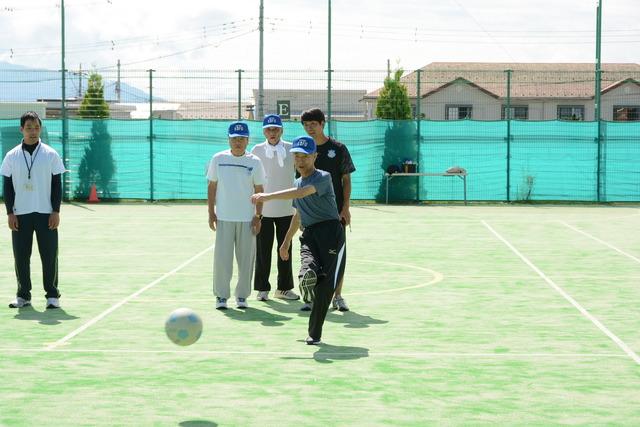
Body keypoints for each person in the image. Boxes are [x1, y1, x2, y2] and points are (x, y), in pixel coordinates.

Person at [251, 136, 346, 345]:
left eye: (305, 156)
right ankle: (307, 283)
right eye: (297, 156)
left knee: (326, 288)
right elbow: (298, 214)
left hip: (331, 234)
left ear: (315, 157)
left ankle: (314, 333)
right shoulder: (296, 182)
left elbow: (303, 192)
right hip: (309, 234)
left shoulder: (323, 177)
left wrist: (266, 197)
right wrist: (285, 243)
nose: (301, 161)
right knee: (307, 265)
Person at [1, 111, 66, 309]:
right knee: (21, 256)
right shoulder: (11, 156)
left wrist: (56, 211)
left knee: (49, 255)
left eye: (36, 127)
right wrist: (10, 213)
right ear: (21, 129)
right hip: (20, 214)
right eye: (29, 128)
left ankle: (52, 295)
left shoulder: (50, 154)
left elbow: (57, 184)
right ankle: (23, 296)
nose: (33, 131)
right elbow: (7, 186)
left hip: (46, 213)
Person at [301, 108, 355, 311]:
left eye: (313, 124)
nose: (310, 128)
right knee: (313, 256)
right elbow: (298, 183)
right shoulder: (303, 149)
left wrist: (346, 207)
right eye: (306, 125)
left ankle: (338, 296)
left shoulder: (338, 149)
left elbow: (346, 180)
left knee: (337, 255)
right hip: (311, 214)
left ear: (323, 124)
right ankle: (313, 296)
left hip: (334, 214)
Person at [207, 121, 265, 310]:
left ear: (247, 140)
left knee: (246, 260)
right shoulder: (218, 158)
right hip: (224, 217)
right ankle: (221, 296)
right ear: (229, 140)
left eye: (241, 139)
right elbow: (212, 185)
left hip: (247, 218)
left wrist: (258, 216)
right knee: (222, 260)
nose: (238, 142)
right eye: (234, 139)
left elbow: (259, 189)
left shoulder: (255, 161)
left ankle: (242, 296)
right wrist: (211, 212)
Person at [250, 114, 300, 302]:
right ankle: (262, 288)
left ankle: (284, 288)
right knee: (263, 251)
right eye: (269, 129)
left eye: (276, 129)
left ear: (281, 130)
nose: (272, 132)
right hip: (264, 210)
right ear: (264, 131)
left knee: (284, 249)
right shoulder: (256, 150)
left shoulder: (291, 149)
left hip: (287, 209)